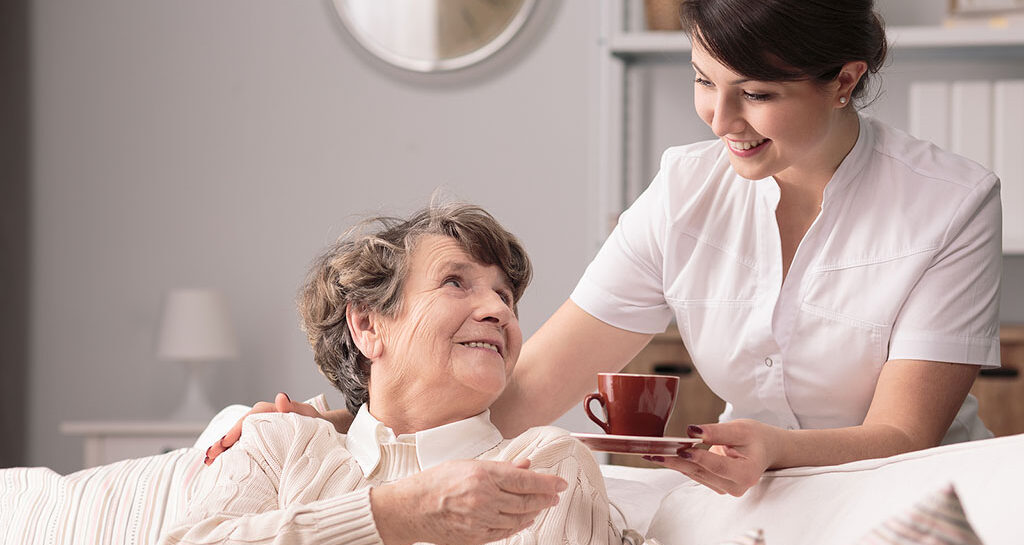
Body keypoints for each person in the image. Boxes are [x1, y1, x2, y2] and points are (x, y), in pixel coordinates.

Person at [208, 0, 1002, 498]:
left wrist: (779, 448)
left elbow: (904, 434)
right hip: (753, 490)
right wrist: (339, 423)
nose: (719, 120)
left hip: (914, 487)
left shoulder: (951, 202)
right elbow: (525, 389)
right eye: (703, 80)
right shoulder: (685, 192)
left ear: (843, 80)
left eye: (757, 94)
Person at [158, 203, 621, 545]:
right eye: (454, 282)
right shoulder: (277, 445)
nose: (497, 310)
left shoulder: (542, 465)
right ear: (367, 324)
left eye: (506, 297)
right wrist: (400, 515)